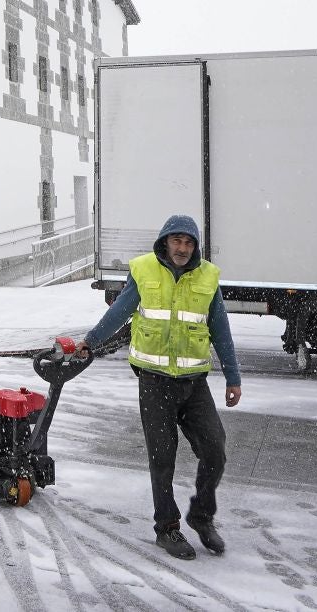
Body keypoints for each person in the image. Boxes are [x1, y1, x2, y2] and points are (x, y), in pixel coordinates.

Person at [79, 214, 242, 560]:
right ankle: (167, 528)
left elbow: (221, 329)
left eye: (188, 242)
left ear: (195, 246)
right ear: (165, 242)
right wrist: (90, 342)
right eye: (176, 241)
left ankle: (201, 516)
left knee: (215, 450)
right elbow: (119, 313)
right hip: (154, 381)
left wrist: (233, 377)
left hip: (194, 383)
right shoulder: (144, 271)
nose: (182, 248)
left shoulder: (208, 277)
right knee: (162, 458)